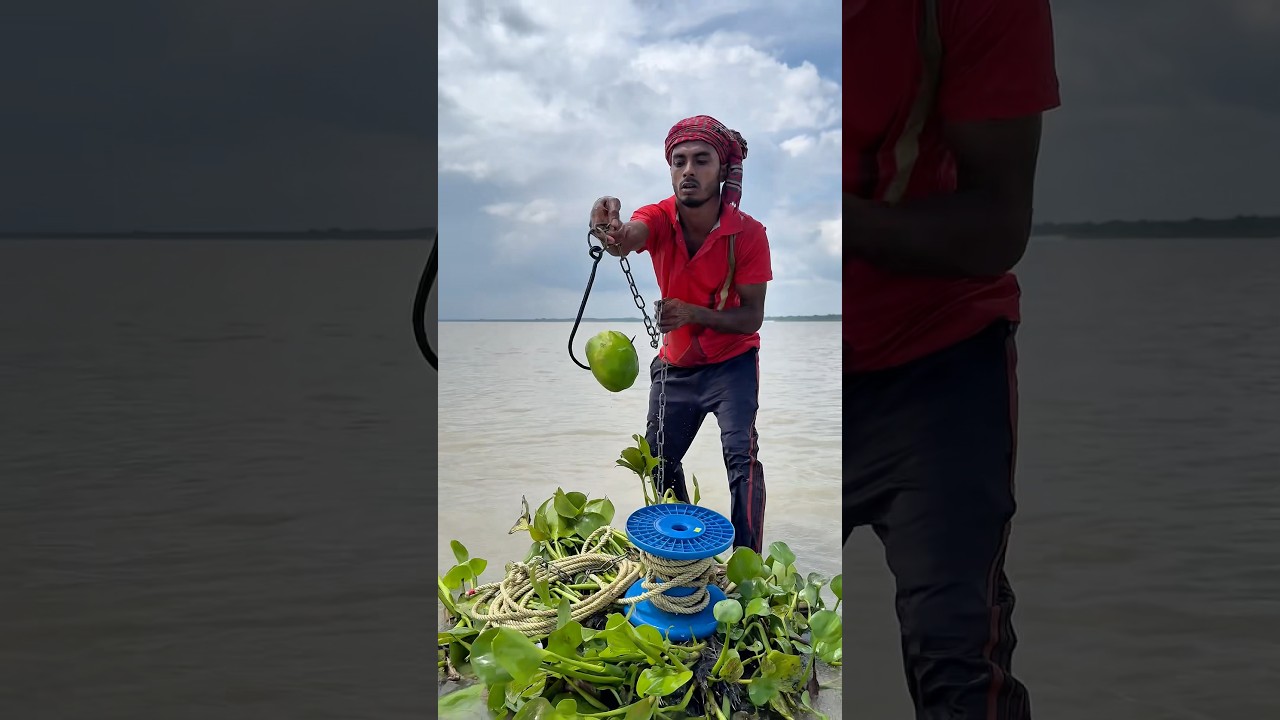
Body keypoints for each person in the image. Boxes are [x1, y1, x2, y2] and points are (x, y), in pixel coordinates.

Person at [845, 0, 1060, 718]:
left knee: (958, 662)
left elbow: (998, 222)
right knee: (729, 624)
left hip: (935, 361)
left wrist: (824, 218)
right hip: (782, 366)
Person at [588, 115, 772, 553]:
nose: (688, 170)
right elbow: (630, 236)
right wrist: (610, 232)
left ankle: (749, 565)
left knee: (741, 461)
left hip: (733, 364)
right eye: (679, 161)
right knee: (658, 463)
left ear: (722, 170)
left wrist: (692, 312)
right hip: (677, 365)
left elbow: (752, 318)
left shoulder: (748, 235)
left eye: (701, 160)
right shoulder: (660, 218)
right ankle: (685, 553)